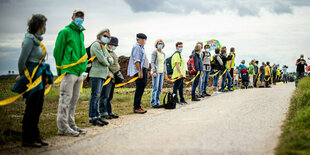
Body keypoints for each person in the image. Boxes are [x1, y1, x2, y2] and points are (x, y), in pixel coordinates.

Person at [12, 14, 52, 147]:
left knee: (38, 107)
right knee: (32, 107)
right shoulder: (29, 40)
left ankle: (35, 135)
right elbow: (22, 60)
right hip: (32, 77)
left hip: (39, 76)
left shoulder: (37, 40)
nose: (45, 28)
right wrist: (23, 76)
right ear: (39, 26)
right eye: (44, 25)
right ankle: (27, 138)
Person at [54, 9, 88, 136]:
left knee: (74, 100)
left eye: (81, 16)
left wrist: (83, 68)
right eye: (77, 16)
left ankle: (71, 124)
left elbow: (82, 51)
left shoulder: (81, 33)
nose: (79, 18)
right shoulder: (65, 32)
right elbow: (58, 51)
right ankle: (62, 127)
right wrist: (61, 70)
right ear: (72, 17)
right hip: (69, 71)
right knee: (65, 101)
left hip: (79, 72)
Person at [88, 29, 113, 126]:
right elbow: (103, 60)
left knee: (97, 96)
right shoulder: (96, 45)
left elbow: (110, 59)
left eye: (108, 36)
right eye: (105, 36)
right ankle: (92, 117)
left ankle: (97, 116)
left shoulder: (103, 47)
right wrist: (106, 60)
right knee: (95, 96)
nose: (106, 38)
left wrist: (106, 60)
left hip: (102, 74)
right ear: (99, 35)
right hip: (96, 74)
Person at [127, 33, 149, 114]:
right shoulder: (137, 47)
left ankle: (138, 106)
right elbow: (137, 60)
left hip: (143, 70)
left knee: (141, 88)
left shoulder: (141, 47)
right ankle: (136, 107)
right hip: (139, 71)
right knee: (139, 89)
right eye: (144, 40)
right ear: (140, 40)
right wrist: (139, 71)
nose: (145, 42)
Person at [105, 36, 121, 118]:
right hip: (108, 76)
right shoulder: (105, 51)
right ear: (109, 44)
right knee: (105, 95)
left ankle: (109, 111)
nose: (115, 46)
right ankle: (104, 112)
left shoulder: (112, 52)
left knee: (110, 96)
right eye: (114, 45)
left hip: (113, 76)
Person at [150, 39, 167, 108]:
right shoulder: (154, 52)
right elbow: (152, 62)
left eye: (161, 43)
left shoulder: (163, 54)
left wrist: (165, 73)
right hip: (156, 72)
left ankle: (157, 102)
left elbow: (164, 64)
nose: (160, 45)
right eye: (159, 43)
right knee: (155, 88)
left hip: (161, 72)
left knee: (160, 88)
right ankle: (153, 103)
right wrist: (154, 71)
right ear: (156, 44)